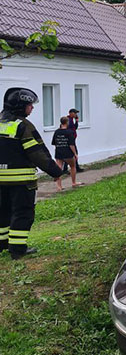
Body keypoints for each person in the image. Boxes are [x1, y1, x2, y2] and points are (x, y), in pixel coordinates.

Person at [0, 88, 66, 258]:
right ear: (21, 106)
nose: (32, 108)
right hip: (22, 182)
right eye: (30, 104)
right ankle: (17, 250)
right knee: (22, 213)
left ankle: (2, 245)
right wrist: (55, 171)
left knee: (3, 212)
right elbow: (37, 153)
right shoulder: (23, 126)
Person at [51, 117, 79, 191]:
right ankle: (73, 182)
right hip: (68, 153)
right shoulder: (69, 132)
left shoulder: (56, 132)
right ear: (67, 123)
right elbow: (71, 145)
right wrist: (75, 154)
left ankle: (59, 186)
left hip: (59, 152)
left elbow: (54, 143)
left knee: (59, 168)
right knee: (73, 166)